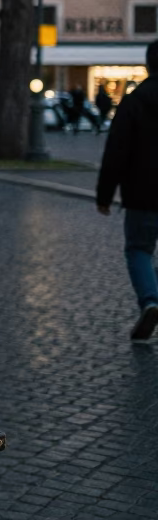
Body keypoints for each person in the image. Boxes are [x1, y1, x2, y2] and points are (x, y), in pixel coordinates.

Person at [97, 40, 158, 341]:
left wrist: (104, 195)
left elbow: (116, 151)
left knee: (139, 249)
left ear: (149, 65)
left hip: (143, 192)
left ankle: (150, 300)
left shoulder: (135, 101)